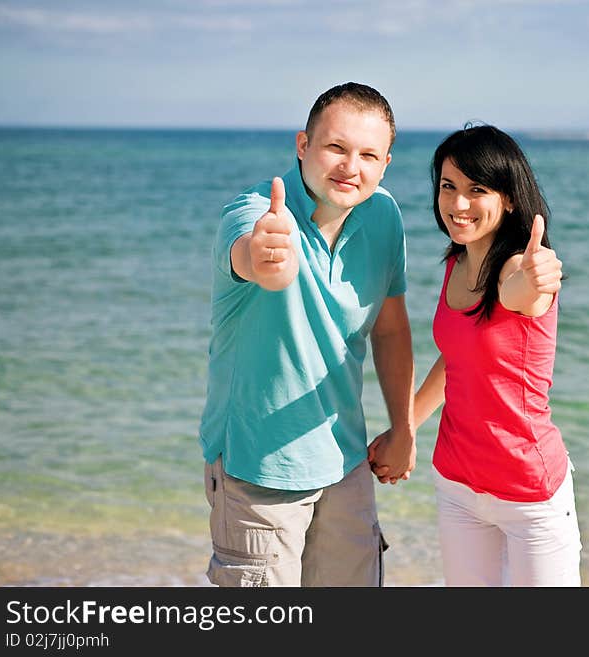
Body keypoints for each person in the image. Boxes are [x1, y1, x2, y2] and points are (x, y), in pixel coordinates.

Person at [199, 82, 416, 587]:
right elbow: (257, 260)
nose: (351, 167)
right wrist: (266, 257)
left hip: (345, 462)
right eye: (336, 148)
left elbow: (390, 328)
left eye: (368, 155)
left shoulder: (384, 214)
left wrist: (403, 429)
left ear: (386, 163)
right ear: (303, 146)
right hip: (259, 469)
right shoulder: (254, 213)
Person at [371, 124, 581, 586]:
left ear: (508, 198)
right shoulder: (457, 261)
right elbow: (456, 359)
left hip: (529, 490)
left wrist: (537, 275)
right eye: (449, 186)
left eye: (476, 189)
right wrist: (404, 430)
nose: (458, 203)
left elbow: (520, 292)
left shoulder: (515, 266)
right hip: (458, 482)